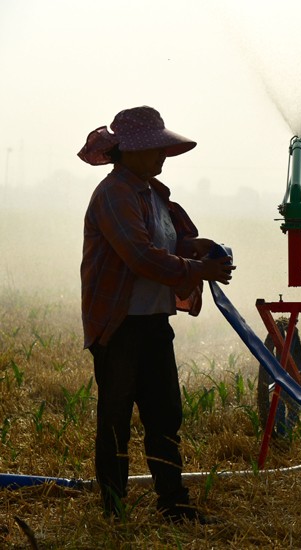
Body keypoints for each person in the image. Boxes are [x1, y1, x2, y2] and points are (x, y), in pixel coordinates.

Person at [78, 106, 235, 522]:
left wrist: (192, 247)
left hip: (153, 320)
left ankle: (174, 504)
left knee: (165, 416)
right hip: (121, 325)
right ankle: (115, 512)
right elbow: (141, 256)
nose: (162, 155)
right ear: (129, 151)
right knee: (116, 421)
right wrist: (199, 270)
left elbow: (162, 247)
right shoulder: (114, 194)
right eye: (154, 148)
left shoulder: (152, 195)